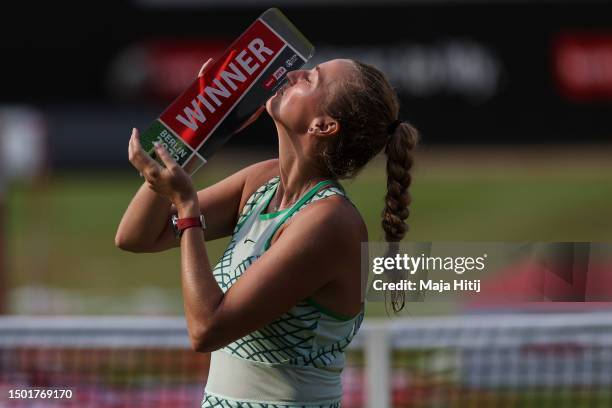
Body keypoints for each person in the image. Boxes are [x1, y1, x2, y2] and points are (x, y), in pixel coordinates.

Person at [115, 58, 418, 407]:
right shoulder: (262, 181)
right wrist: (199, 131)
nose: (292, 74)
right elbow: (136, 236)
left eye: (311, 79)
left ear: (323, 125)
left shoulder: (330, 222)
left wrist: (187, 207)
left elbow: (206, 329)